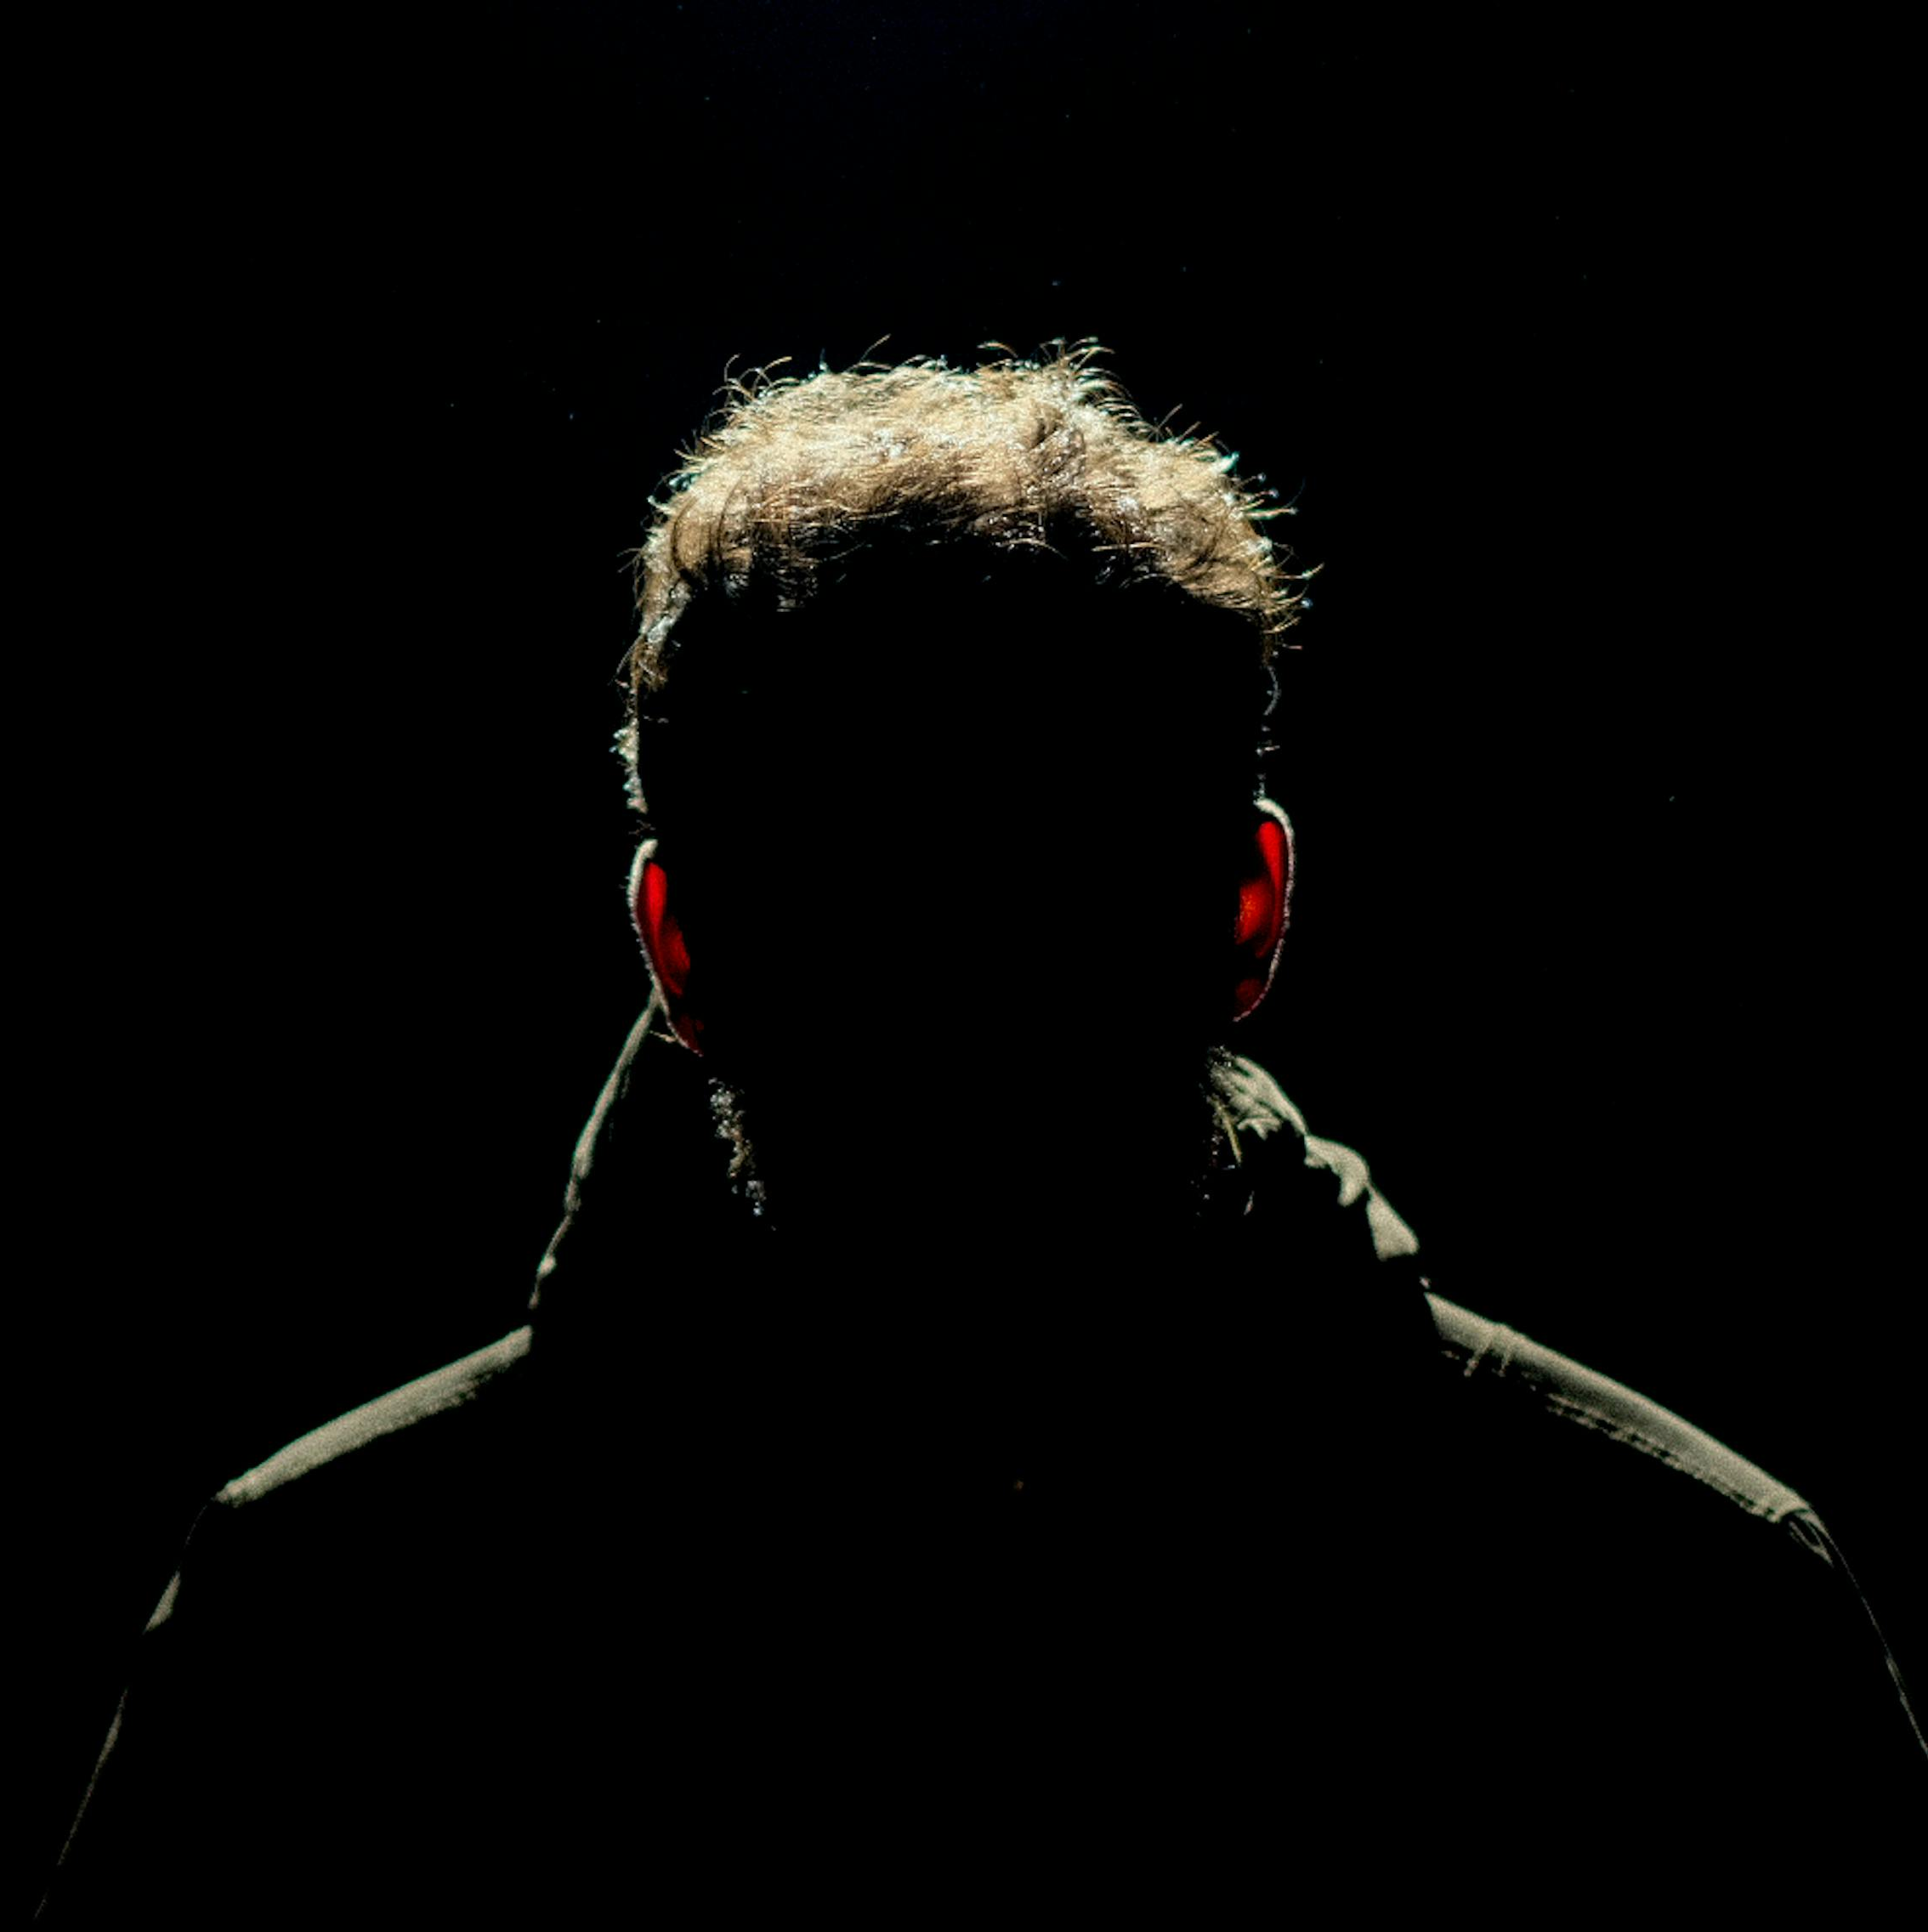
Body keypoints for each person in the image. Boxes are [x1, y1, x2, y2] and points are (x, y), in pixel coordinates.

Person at [40, 350, 1925, 1923]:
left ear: (673, 946)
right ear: (1255, 909)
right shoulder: (1674, 1617)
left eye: (1041, 903)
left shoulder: (337, 1629)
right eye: (870, 912)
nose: (958, 1018)